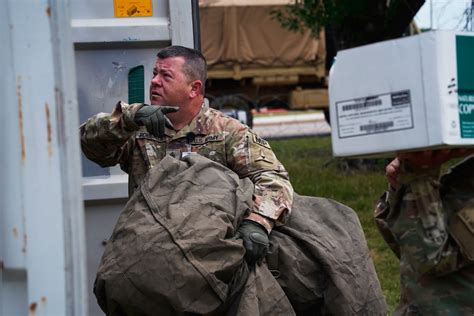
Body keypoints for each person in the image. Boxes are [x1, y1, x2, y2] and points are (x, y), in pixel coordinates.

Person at [80, 45, 293, 266]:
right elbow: (92, 146)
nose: (154, 81)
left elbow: (274, 179)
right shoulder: (137, 128)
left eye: (166, 75)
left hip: (207, 255)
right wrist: (127, 118)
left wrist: (257, 222)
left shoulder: (227, 133)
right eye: (155, 73)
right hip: (146, 249)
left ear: (194, 88)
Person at [374, 149, 474, 315]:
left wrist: (419, 178)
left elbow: (433, 258)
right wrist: (401, 187)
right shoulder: (466, 172)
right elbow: (407, 246)